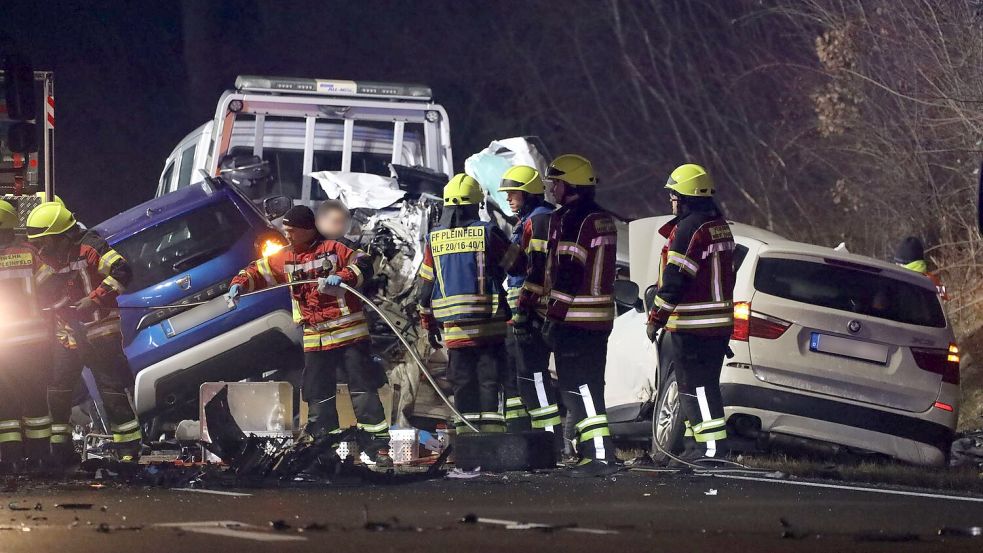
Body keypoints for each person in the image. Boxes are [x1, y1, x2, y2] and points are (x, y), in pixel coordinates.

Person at [227, 205, 392, 467]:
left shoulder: (335, 249)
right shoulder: (286, 258)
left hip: (348, 334)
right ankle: (325, 452)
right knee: (318, 395)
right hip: (315, 337)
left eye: (292, 231)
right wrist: (239, 283)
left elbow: (364, 264)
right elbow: (257, 271)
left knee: (363, 391)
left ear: (306, 230)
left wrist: (343, 276)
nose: (287, 236)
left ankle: (378, 450)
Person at [26, 201, 142, 466]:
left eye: (46, 241)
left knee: (110, 388)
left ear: (63, 235)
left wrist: (94, 299)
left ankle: (129, 450)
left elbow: (122, 271)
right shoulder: (51, 255)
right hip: (67, 333)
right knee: (57, 389)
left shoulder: (91, 247)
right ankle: (60, 450)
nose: (42, 248)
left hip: (98, 331)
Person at [646, 164, 736, 464]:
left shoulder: (688, 229)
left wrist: (655, 317)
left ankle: (710, 451)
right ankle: (696, 447)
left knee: (694, 389)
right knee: (702, 387)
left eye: (674, 195)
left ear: (686, 196)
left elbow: (675, 280)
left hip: (694, 325)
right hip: (718, 325)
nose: (672, 200)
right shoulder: (719, 226)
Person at [538, 154, 619, 477]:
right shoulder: (601, 218)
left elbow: (569, 272)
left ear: (569, 186)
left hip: (575, 319)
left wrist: (553, 317)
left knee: (577, 387)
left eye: (555, 183)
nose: (552, 189)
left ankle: (598, 456)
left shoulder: (573, 220)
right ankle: (594, 452)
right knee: (590, 386)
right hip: (598, 320)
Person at [416, 174, 515, 434]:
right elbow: (517, 264)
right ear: (475, 204)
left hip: (455, 332)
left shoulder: (434, 239)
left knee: (462, 384)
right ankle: (492, 443)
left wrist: (428, 323)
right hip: (489, 328)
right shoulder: (488, 232)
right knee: (489, 383)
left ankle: (467, 445)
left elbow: (425, 290)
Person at [500, 165, 558, 434]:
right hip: (520, 310)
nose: (509, 199)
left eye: (514, 194)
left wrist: (525, 311)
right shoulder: (528, 221)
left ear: (530, 194)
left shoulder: (540, 220)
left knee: (534, 372)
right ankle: (521, 435)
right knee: (518, 374)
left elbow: (528, 267)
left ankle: (549, 437)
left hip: (532, 310)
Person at [0, 200, 53, 473]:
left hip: (4, 346)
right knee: (35, 400)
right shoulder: (30, 254)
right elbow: (50, 286)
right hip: (34, 343)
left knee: (6, 403)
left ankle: (10, 458)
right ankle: (40, 457)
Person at [894, 236, 948, 300]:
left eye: (897, 264)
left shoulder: (899, 282)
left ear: (903, 264)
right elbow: (945, 297)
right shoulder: (932, 280)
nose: (895, 265)